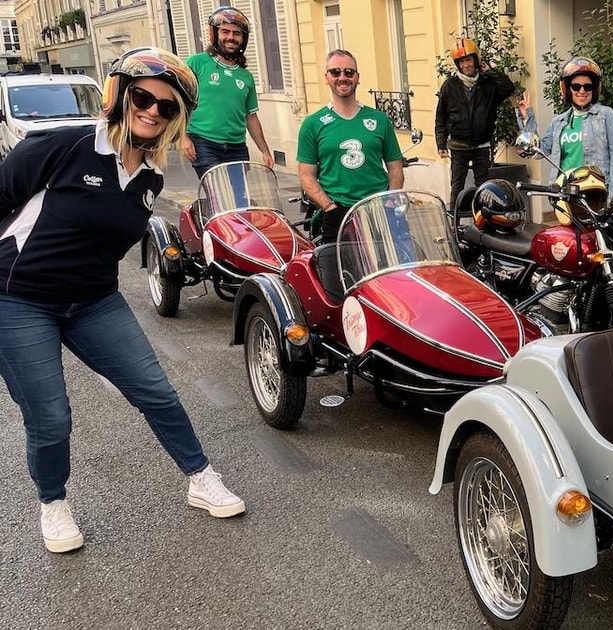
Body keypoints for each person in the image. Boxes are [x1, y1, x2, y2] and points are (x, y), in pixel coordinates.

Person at [0, 47, 245, 554]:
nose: (153, 110)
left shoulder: (150, 179)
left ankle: (200, 477)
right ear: (119, 95)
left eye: (168, 107)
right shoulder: (61, 147)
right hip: (19, 299)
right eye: (143, 97)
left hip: (93, 302)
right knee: (50, 416)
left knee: (155, 390)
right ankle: (54, 503)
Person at [297, 49, 405, 240]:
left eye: (349, 72)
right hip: (337, 212)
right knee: (340, 269)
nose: (342, 77)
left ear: (357, 77)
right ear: (326, 77)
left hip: (378, 209)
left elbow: (395, 168)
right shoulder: (312, 124)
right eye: (335, 72)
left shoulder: (379, 120)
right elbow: (306, 175)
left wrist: (389, 201)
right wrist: (329, 207)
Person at [179, 6, 274, 178]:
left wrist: (265, 151)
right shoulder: (196, 63)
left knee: (238, 199)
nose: (231, 37)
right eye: (225, 32)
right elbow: (178, 101)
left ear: (243, 39)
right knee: (219, 190)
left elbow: (250, 117)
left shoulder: (246, 77)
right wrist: (182, 137)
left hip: (237, 147)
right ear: (214, 34)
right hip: (204, 142)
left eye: (236, 33)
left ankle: (201, 206)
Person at [435, 38, 516, 210]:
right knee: (457, 185)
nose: (466, 65)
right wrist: (440, 143)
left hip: (482, 145)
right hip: (458, 145)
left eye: (469, 60)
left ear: (476, 60)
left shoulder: (487, 84)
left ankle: (482, 219)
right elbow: (441, 116)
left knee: (483, 186)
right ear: (458, 64)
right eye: (462, 61)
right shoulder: (449, 86)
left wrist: (491, 71)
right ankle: (453, 222)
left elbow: (509, 88)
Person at [542, 57, 613, 195]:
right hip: (565, 193)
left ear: (595, 89)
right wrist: (527, 119)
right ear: (568, 89)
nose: (582, 91)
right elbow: (541, 150)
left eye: (588, 86)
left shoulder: (606, 116)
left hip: (595, 192)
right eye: (576, 86)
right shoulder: (559, 121)